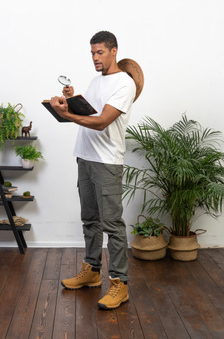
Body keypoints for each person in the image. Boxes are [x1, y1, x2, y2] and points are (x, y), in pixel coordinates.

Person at [50, 31, 136, 310]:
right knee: (89, 219)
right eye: (92, 53)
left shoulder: (125, 84)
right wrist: (72, 100)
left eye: (100, 52)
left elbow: (100, 122)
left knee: (113, 224)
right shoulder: (95, 81)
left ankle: (120, 284)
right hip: (85, 156)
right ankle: (92, 272)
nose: (95, 58)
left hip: (107, 161)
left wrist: (67, 115)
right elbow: (89, 112)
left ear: (113, 51)